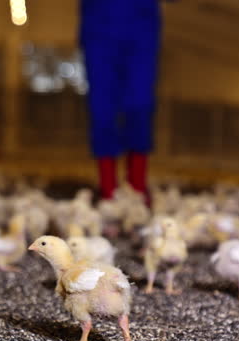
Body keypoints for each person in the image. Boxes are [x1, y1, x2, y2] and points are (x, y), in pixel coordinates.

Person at [79, 0, 163, 201]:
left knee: (140, 105)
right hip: (99, 25)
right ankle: (108, 188)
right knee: (102, 110)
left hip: (141, 26)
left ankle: (137, 187)